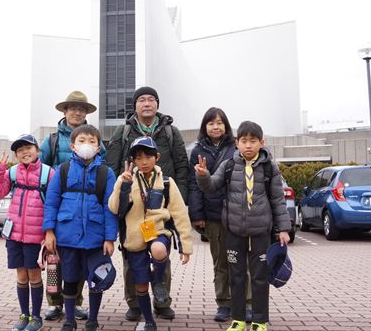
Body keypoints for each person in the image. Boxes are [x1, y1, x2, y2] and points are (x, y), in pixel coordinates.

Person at [195, 121, 291, 331]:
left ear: (262, 142)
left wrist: (283, 229)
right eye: (244, 141)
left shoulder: (269, 167)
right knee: (236, 276)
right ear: (237, 143)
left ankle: (259, 321)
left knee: (259, 277)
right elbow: (211, 187)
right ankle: (237, 320)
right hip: (234, 230)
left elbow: (278, 200)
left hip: (260, 232)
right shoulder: (228, 165)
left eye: (253, 141)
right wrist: (202, 175)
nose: (248, 145)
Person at [106, 86, 188, 321]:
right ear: (135, 106)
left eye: (151, 99)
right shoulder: (123, 131)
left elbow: (182, 166)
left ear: (157, 105)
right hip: (130, 205)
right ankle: (134, 302)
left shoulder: (171, 132)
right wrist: (117, 196)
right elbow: (111, 166)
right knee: (132, 256)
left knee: (160, 252)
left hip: (161, 204)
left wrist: (175, 200)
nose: (147, 103)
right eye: (141, 99)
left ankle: (162, 302)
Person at [42, 124, 118, 331]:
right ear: (73, 146)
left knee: (97, 278)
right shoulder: (63, 170)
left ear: (99, 147)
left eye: (92, 141)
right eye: (82, 141)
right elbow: (51, 202)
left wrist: (110, 238)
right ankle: (69, 320)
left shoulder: (106, 173)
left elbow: (110, 207)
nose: (87, 145)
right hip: (66, 236)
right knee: (70, 278)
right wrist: (49, 231)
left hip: (95, 238)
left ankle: (92, 320)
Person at [39, 90, 100, 321]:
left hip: (85, 213)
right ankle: (55, 304)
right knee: (55, 262)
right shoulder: (52, 140)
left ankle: (75, 303)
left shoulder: (94, 139)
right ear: (64, 111)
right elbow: (40, 171)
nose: (76, 112)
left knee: (81, 261)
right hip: (58, 209)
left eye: (81, 109)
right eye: (72, 108)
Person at [0, 134, 54, 331]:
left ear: (38, 150)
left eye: (29, 147)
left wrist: (50, 232)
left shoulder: (48, 173)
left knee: (34, 275)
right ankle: (24, 315)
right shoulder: (12, 173)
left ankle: (36, 317)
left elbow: (53, 204)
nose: (25, 152)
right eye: (20, 149)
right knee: (21, 275)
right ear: (16, 154)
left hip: (36, 236)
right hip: (15, 234)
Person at [188, 107, 243, 323]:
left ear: (226, 126)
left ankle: (245, 304)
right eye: (211, 123)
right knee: (220, 262)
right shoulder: (197, 150)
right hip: (212, 215)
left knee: (241, 262)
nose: (216, 126)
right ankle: (224, 304)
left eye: (220, 122)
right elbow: (194, 184)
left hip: (238, 214)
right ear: (205, 127)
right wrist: (197, 214)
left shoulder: (236, 147)